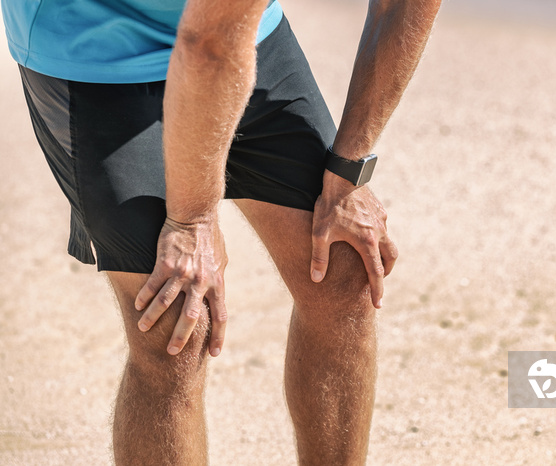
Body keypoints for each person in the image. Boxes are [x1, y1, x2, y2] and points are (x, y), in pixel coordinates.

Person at [2, 0, 440, 463]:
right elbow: (206, 46)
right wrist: (191, 221)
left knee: (343, 262)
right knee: (174, 321)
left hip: (237, 28)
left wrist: (350, 168)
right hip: (95, 45)